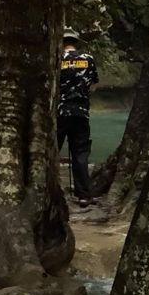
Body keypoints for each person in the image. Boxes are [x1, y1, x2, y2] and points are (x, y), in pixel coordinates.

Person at [57, 27, 99, 207]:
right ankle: (83, 195)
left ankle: (47, 190)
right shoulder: (87, 59)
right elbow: (94, 84)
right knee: (80, 153)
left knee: (52, 150)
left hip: (59, 112)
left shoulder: (57, 59)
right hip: (81, 113)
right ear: (76, 42)